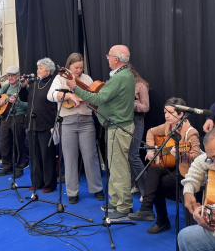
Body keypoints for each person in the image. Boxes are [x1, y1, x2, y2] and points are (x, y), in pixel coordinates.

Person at [66, 45, 135, 221]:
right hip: (117, 127)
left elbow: (98, 98)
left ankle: (124, 206)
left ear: (116, 59)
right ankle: (116, 200)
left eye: (109, 56)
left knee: (119, 168)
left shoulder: (120, 77)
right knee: (114, 166)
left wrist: (75, 88)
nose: (107, 58)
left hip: (118, 128)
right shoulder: (125, 75)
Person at [128, 98, 200, 234]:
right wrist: (150, 151)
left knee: (155, 184)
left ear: (181, 114)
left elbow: (196, 156)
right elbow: (150, 132)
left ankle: (161, 220)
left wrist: (181, 154)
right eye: (165, 112)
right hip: (170, 165)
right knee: (153, 169)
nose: (166, 115)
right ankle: (146, 209)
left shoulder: (191, 132)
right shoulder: (168, 126)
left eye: (170, 112)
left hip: (185, 170)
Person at [47, 53, 104, 204]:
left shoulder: (87, 79)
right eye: (76, 67)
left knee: (90, 156)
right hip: (67, 122)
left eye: (81, 67)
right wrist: (68, 96)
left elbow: (94, 97)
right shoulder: (60, 78)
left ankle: (97, 188)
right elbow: (50, 95)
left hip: (86, 121)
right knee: (70, 157)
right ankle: (72, 191)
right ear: (68, 66)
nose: (79, 70)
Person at [26, 58, 57, 193]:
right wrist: (23, 88)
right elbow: (26, 99)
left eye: (41, 68)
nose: (37, 70)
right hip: (32, 124)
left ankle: (49, 184)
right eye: (38, 68)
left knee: (47, 155)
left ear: (48, 71)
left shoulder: (53, 83)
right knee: (35, 155)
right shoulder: (35, 84)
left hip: (46, 123)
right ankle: (37, 182)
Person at [0, 66, 28, 178]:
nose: (10, 78)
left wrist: (18, 103)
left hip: (18, 117)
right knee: (5, 143)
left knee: (19, 143)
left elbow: (29, 105)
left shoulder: (23, 88)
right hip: (5, 118)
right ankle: (7, 167)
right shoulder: (6, 87)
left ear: (18, 76)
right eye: (8, 76)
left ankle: (20, 167)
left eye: (12, 75)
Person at [127, 63, 150, 201]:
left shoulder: (141, 86)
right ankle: (132, 185)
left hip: (136, 120)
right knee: (125, 155)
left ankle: (146, 191)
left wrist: (132, 103)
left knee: (133, 155)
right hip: (122, 120)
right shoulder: (118, 85)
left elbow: (146, 107)